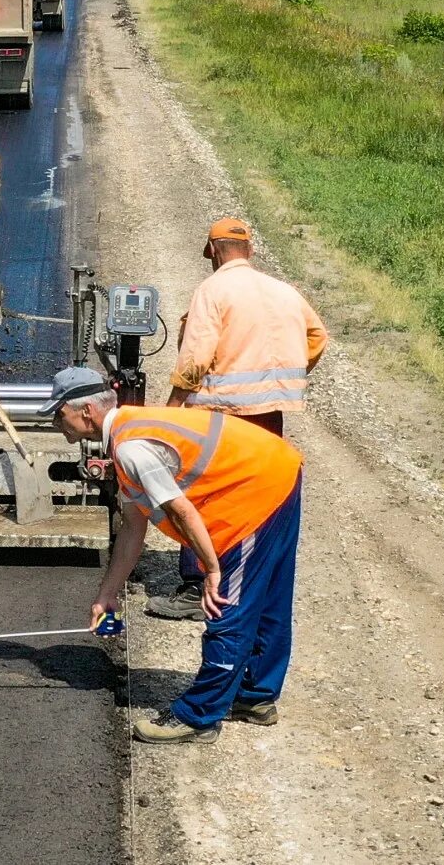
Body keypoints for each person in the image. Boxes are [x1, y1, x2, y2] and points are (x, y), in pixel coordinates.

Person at [44, 366, 303, 744]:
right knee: (267, 602)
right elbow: (134, 528)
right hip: (277, 470)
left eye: (58, 413)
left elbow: (182, 511)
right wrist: (107, 594)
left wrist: (211, 569)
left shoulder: (131, 448)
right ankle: (255, 697)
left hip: (257, 490)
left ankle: (198, 717)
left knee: (227, 606)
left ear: (86, 412)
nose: (56, 423)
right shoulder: (129, 432)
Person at [149, 217, 327, 621]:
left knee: (201, 492)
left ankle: (198, 585)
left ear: (212, 250)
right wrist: (289, 376)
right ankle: (246, 578)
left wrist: (173, 406)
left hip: (220, 414)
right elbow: (317, 337)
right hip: (269, 414)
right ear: (250, 250)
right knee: (257, 491)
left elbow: (195, 356)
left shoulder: (213, 290)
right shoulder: (284, 291)